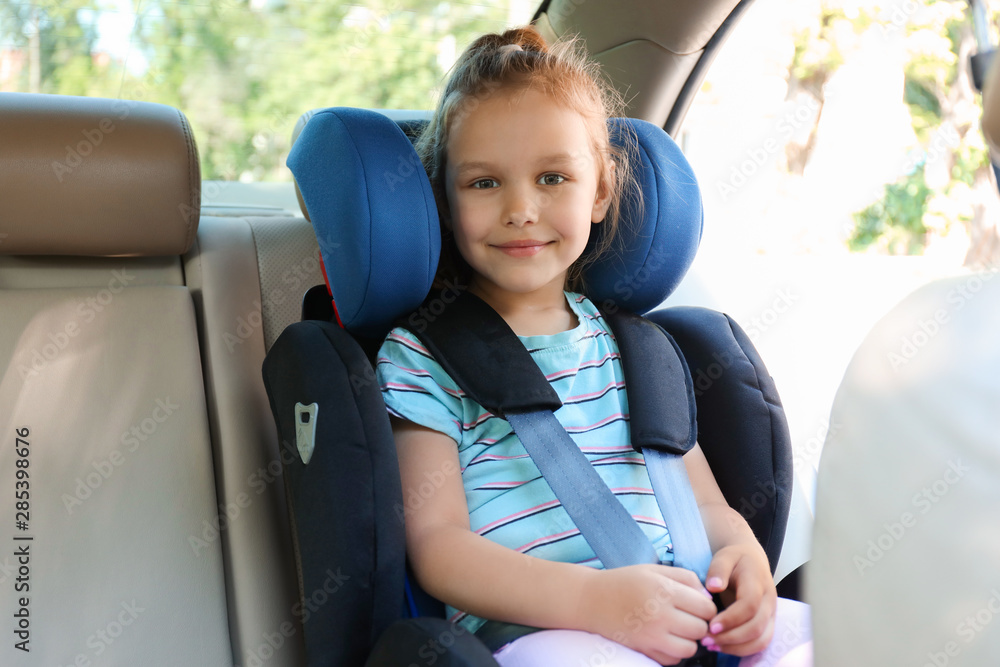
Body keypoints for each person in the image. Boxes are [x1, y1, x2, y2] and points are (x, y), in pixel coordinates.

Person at [376, 26, 811, 667]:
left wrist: (744, 560)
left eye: (552, 177)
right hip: (540, 633)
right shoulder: (422, 358)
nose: (521, 208)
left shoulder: (641, 351)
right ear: (443, 199)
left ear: (601, 191)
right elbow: (438, 546)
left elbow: (707, 506)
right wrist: (595, 601)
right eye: (484, 183)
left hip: (688, 618)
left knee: (829, 632)